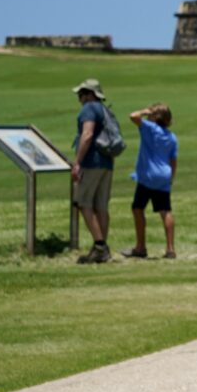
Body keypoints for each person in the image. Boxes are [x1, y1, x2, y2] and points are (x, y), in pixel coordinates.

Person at [70, 79, 118, 263]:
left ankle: (100, 246)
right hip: (107, 163)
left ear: (90, 94)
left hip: (92, 162)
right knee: (101, 206)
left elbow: (87, 134)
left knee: (82, 202)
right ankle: (101, 249)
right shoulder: (106, 110)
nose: (79, 98)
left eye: (81, 94)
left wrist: (78, 162)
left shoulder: (89, 109)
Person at [124, 104, 179, 258]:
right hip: (164, 176)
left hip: (147, 177)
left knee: (138, 208)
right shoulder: (171, 137)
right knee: (165, 211)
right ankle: (170, 249)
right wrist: (171, 178)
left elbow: (133, 116)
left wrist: (144, 111)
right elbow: (173, 160)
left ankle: (140, 247)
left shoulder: (149, 128)